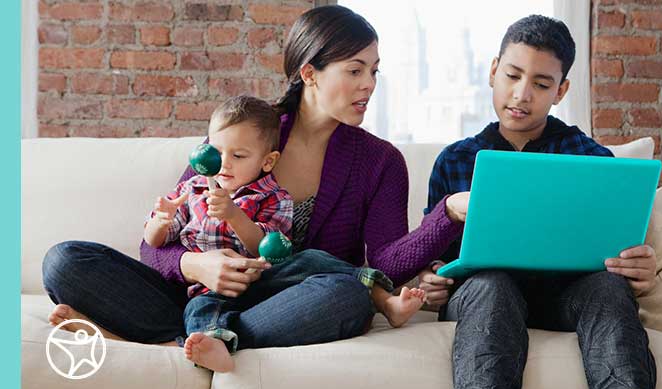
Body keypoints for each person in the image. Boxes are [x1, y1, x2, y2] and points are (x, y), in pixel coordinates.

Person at [42, 5, 459, 356]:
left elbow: (384, 264)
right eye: (354, 70)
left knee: (349, 296)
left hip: (287, 303)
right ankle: (201, 337)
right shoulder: (241, 134)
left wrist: (450, 214)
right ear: (309, 72)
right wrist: (198, 264)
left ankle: (184, 340)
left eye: (374, 71)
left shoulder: (380, 161)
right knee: (64, 260)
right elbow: (156, 244)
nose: (368, 85)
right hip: (197, 294)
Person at [416, 15, 658, 389]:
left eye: (541, 84)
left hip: (567, 297)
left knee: (609, 289)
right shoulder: (455, 160)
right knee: (491, 285)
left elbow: (618, 247)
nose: (522, 94)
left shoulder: (592, 158)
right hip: (483, 296)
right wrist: (431, 277)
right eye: (512, 76)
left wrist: (639, 268)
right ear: (494, 71)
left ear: (560, 90)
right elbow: (435, 257)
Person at [142, 95, 425, 371]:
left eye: (238, 156)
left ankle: (382, 297)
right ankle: (217, 344)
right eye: (216, 152)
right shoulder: (191, 189)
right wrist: (161, 220)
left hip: (268, 282)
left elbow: (264, 248)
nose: (224, 163)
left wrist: (233, 214)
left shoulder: (274, 197)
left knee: (313, 260)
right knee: (199, 310)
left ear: (267, 161)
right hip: (211, 288)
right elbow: (153, 244)